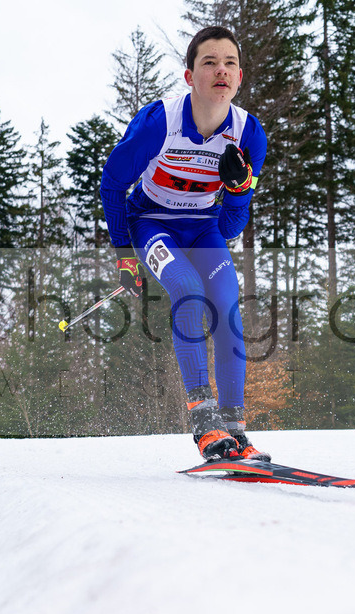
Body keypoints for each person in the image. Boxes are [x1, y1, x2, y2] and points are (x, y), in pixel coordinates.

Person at [100, 26, 269, 462]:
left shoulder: (249, 134)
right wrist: (124, 257)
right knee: (188, 288)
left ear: (240, 77)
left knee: (227, 309)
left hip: (203, 229)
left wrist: (239, 189)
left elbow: (229, 226)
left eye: (230, 63)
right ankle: (204, 420)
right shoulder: (159, 122)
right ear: (190, 75)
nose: (221, 71)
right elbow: (112, 184)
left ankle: (234, 428)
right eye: (209, 62)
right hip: (151, 223)